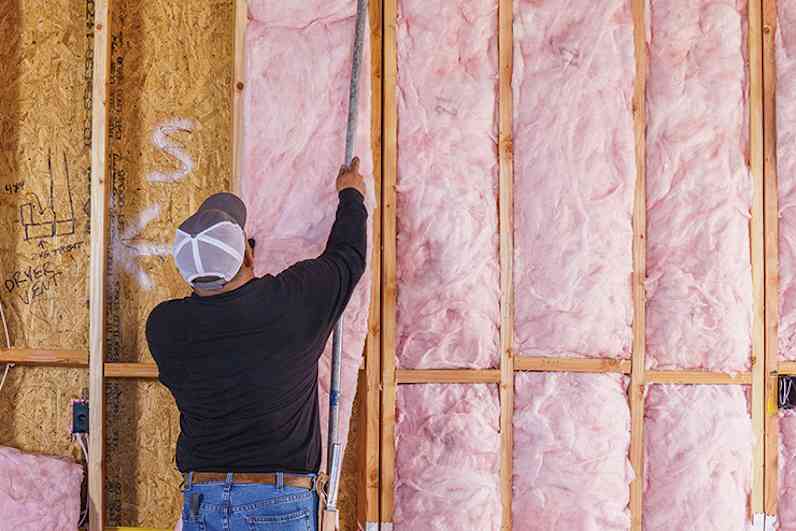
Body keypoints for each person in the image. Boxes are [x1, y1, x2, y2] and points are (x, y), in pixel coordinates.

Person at [145, 158, 368, 531]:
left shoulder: (164, 327)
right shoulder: (293, 301)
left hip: (204, 500)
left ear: (186, 274)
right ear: (249, 254)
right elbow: (348, 256)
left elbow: (213, 318)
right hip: (281, 503)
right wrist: (352, 193)